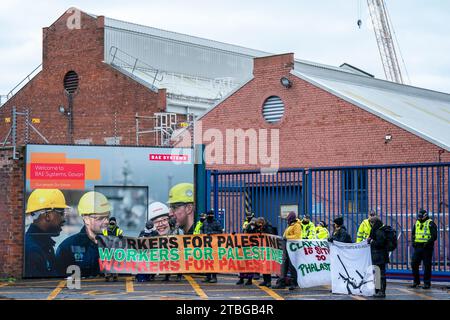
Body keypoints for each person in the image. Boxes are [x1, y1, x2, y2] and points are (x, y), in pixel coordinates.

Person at [56, 191, 111, 278]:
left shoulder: (117, 246)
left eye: (107, 217)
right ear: (86, 219)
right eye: (100, 218)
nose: (107, 222)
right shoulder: (67, 248)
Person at [24, 189, 68, 278]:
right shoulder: (33, 250)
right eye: (61, 213)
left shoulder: (43, 246)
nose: (64, 219)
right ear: (48, 216)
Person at [273, 211, 302, 290]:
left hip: (292, 249)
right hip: (286, 247)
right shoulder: (290, 225)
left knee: (292, 266)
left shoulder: (297, 225)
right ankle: (282, 282)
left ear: (291, 218)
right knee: (284, 265)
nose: (287, 220)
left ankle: (294, 283)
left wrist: (287, 237)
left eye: (288, 218)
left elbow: (297, 236)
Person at [411, 209, 437, 289]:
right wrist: (413, 242)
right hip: (418, 247)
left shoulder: (430, 223)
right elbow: (413, 234)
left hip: (427, 248)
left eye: (421, 217)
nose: (419, 218)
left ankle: (427, 283)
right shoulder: (417, 223)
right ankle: (416, 282)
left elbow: (434, 236)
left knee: (427, 265)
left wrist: (427, 243)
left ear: (425, 215)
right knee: (414, 264)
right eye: (418, 216)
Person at [367, 216, 389, 298]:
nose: (371, 225)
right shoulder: (377, 230)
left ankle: (382, 292)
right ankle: (377, 290)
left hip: (380, 256)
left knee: (381, 274)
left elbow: (380, 243)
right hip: (377, 255)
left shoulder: (379, 231)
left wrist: (372, 241)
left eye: (371, 223)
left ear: (374, 223)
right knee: (377, 274)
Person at [201, 210, 223, 283]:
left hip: (214, 245)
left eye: (211, 214)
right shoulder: (205, 222)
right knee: (207, 261)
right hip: (206, 244)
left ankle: (214, 277)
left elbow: (220, 231)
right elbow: (202, 229)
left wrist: (211, 233)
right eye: (209, 214)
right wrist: (202, 234)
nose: (210, 216)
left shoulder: (216, 222)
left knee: (213, 261)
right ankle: (208, 276)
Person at [236, 218, 258, 286]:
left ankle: (249, 279)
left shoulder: (257, 229)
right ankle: (241, 278)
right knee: (242, 264)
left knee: (249, 264)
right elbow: (243, 236)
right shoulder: (247, 228)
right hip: (245, 247)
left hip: (251, 248)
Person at [256, 217, 277, 287]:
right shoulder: (262, 227)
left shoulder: (268, 227)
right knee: (263, 265)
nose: (259, 224)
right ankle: (265, 280)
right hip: (263, 249)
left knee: (267, 265)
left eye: (259, 223)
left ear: (262, 222)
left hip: (267, 249)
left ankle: (268, 281)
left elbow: (270, 236)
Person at [102, 217, 124, 282]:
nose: (112, 223)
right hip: (107, 249)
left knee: (115, 262)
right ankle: (107, 276)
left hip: (115, 248)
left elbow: (122, 239)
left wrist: (121, 236)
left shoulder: (118, 230)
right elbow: (102, 237)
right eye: (111, 222)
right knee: (107, 262)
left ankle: (115, 276)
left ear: (115, 223)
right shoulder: (105, 230)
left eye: (113, 222)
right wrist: (99, 236)